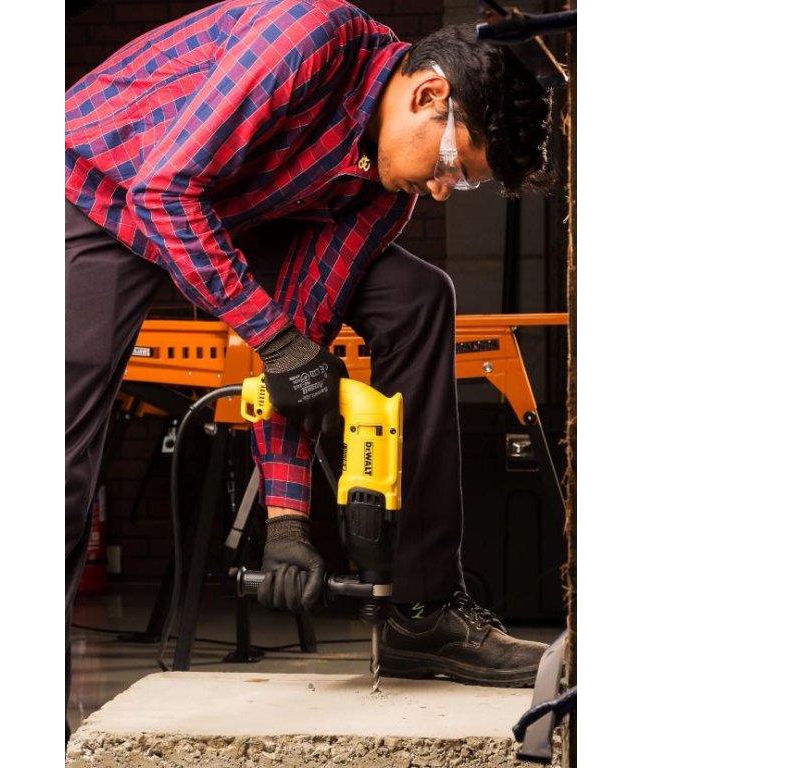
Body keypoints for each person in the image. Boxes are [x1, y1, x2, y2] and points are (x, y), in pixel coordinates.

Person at [66, 0, 554, 736]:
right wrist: (274, 338)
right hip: (104, 186)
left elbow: (303, 345)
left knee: (417, 296)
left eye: (463, 184)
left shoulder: (379, 192)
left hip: (232, 210)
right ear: (428, 94)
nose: (442, 190)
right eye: (453, 165)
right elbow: (164, 193)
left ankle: (423, 610)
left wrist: (287, 521)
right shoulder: (305, 42)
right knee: (63, 456)